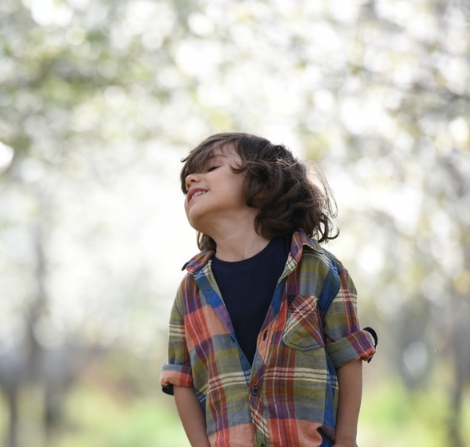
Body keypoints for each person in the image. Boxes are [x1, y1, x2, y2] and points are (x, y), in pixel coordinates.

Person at [160, 133, 378, 447]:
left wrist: (346, 439)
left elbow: (349, 355)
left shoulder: (318, 270)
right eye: (188, 182)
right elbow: (181, 380)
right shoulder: (189, 291)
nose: (193, 179)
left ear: (263, 182)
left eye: (211, 167)